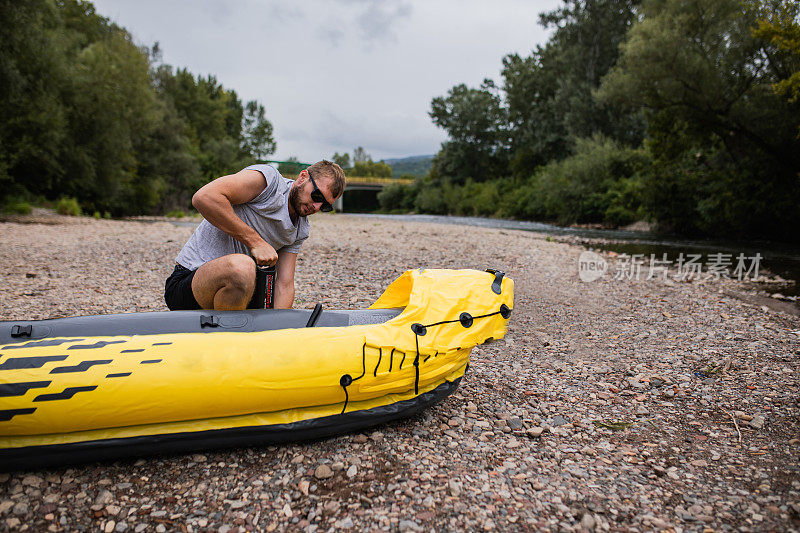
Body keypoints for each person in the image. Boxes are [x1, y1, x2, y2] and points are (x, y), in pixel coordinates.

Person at [164, 160, 345, 310]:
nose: (317, 207)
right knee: (242, 268)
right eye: (317, 196)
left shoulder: (300, 228)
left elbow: (284, 284)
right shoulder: (269, 182)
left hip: (240, 295)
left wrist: (279, 330)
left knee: (254, 280)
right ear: (303, 177)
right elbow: (204, 197)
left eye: (326, 206)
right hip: (188, 283)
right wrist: (255, 242)